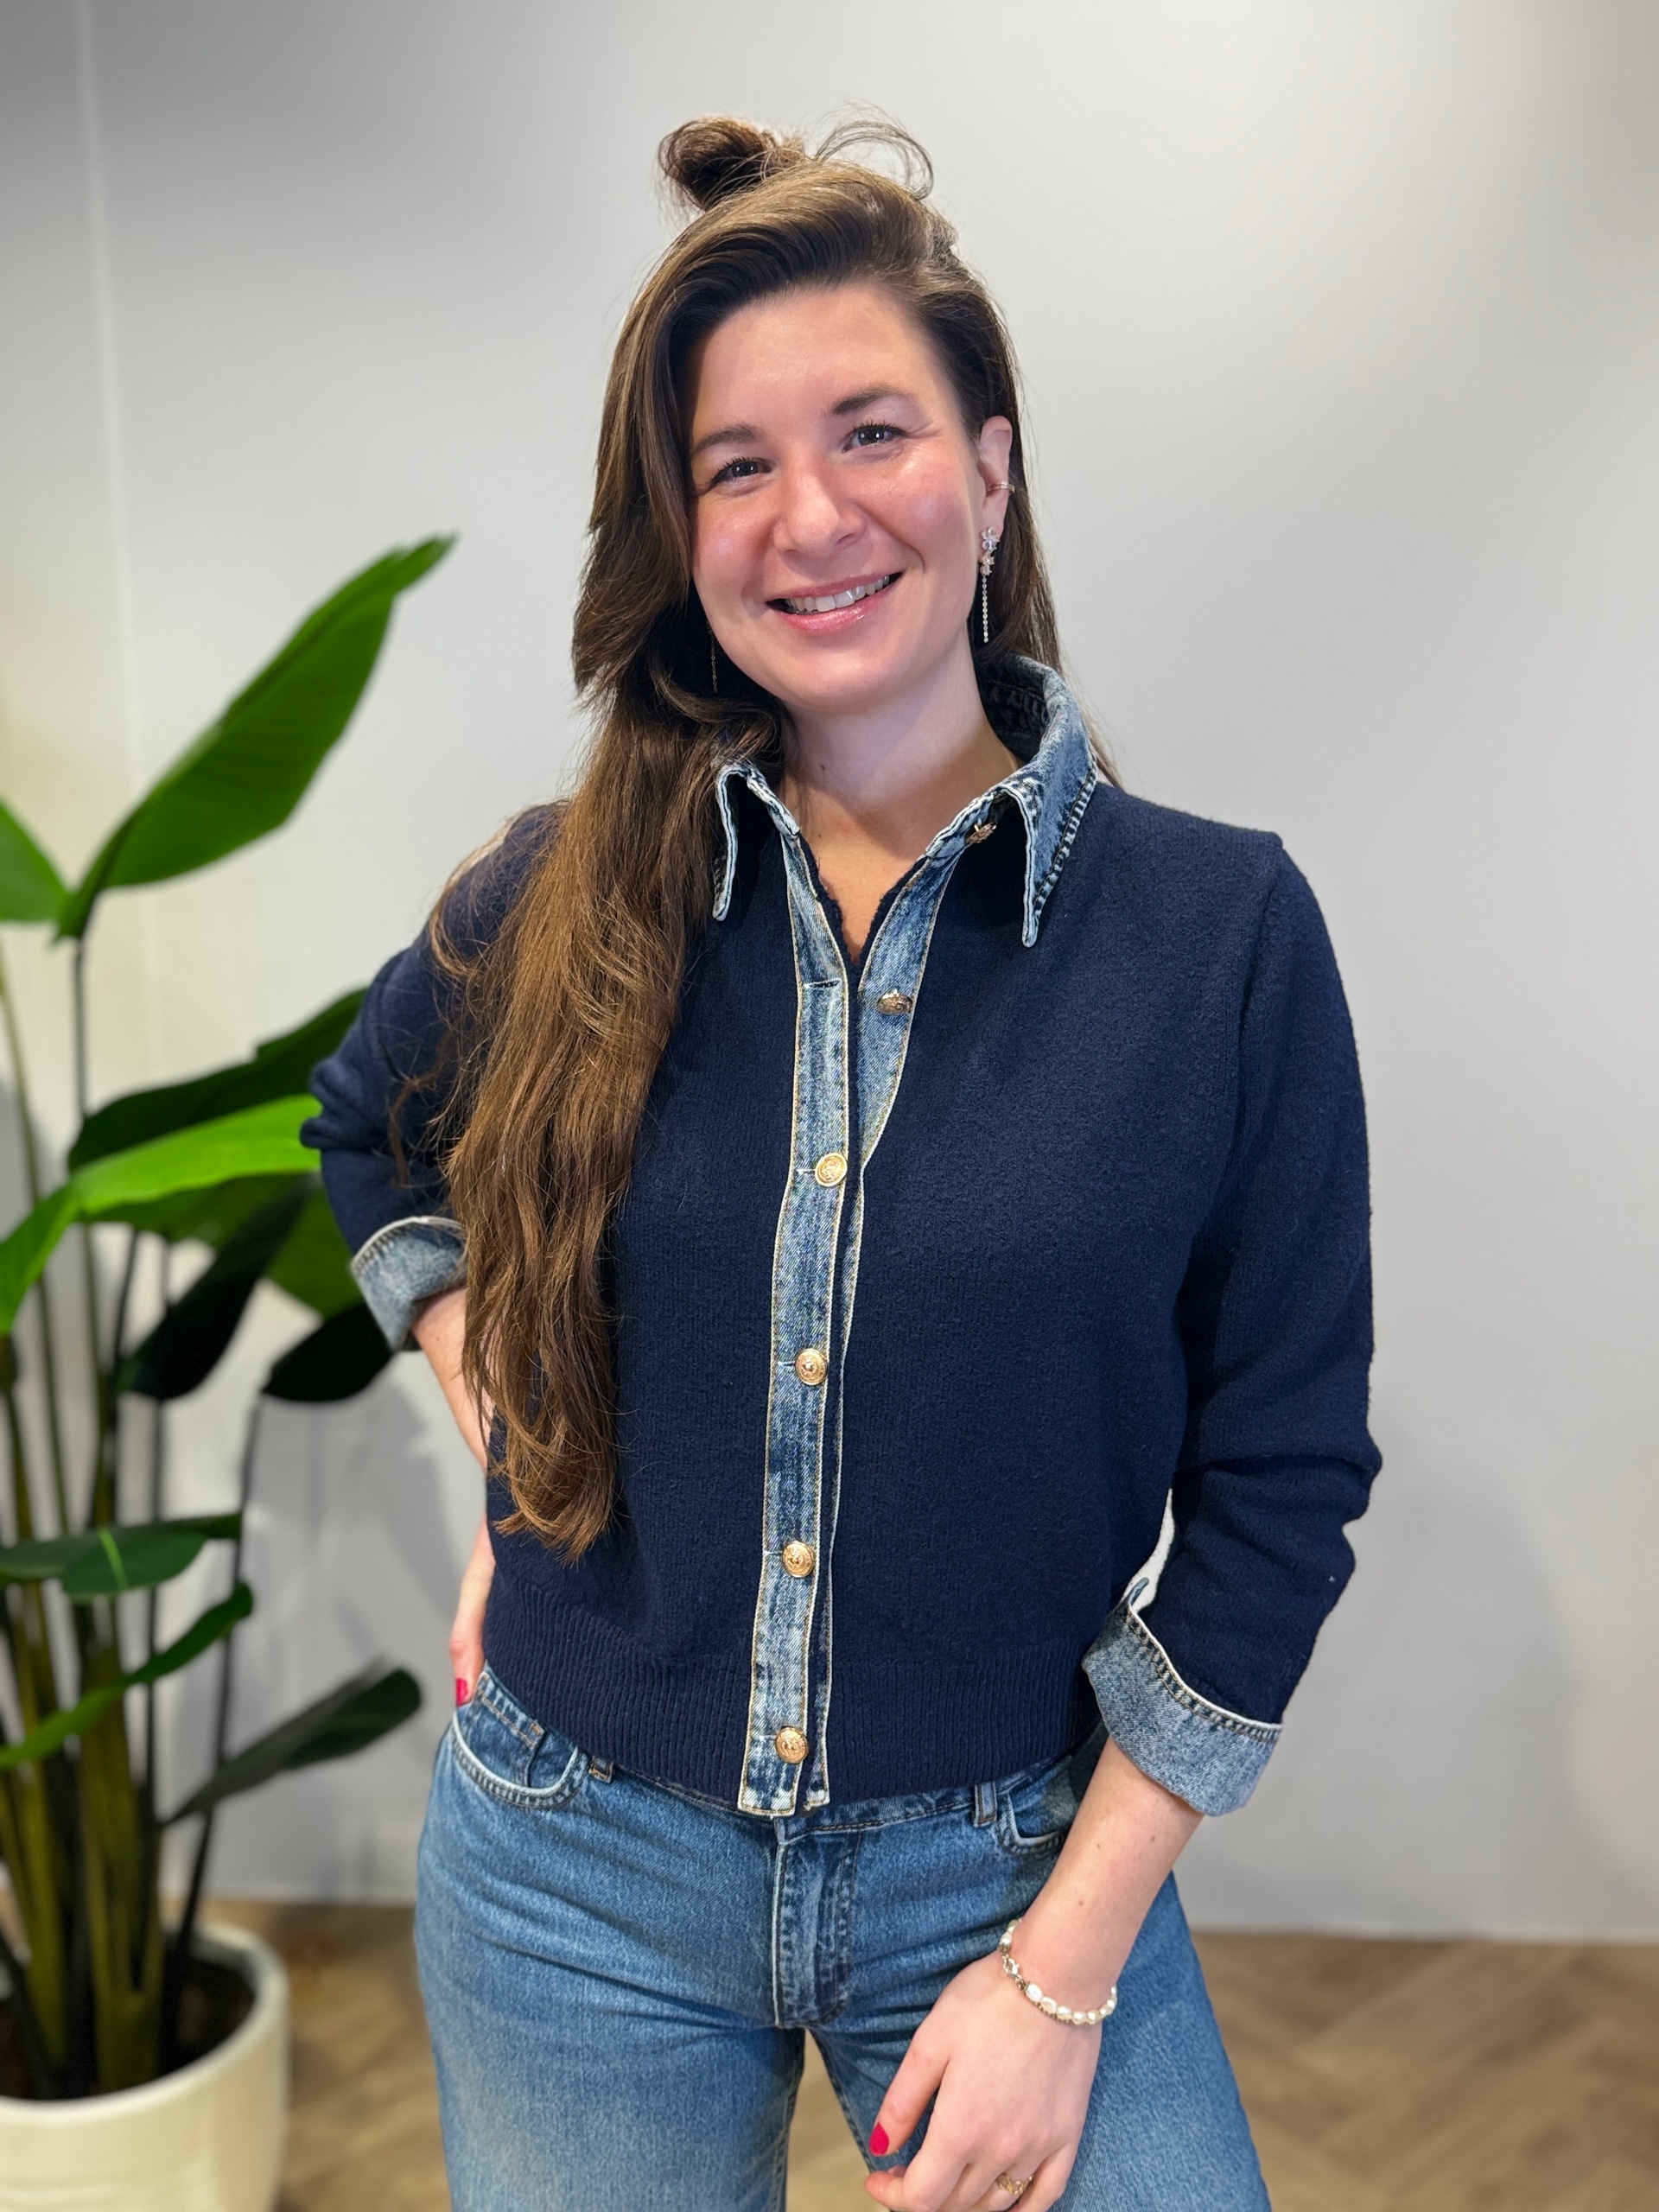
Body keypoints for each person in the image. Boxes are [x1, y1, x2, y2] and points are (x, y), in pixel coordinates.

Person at [307, 116, 1379, 2212]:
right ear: (683, 531)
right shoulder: (568, 891)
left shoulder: (1221, 939)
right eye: (735, 466)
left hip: (1006, 1869)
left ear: (991, 468)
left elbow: (1283, 1482)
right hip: (572, 1867)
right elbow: (372, 1124)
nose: (810, 516)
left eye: (873, 431)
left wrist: (1064, 1972)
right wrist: (503, 1410)